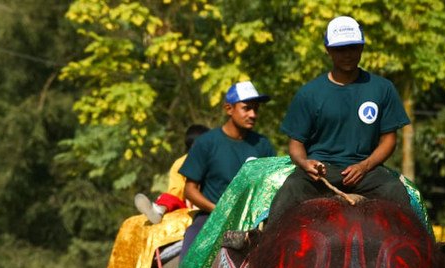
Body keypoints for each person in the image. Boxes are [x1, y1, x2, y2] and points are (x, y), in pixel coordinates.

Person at [270, 16, 412, 221]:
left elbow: (389, 140)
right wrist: (305, 163)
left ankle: (421, 250)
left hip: (367, 173)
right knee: (290, 189)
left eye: (353, 47)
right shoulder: (309, 93)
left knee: (395, 189)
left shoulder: (383, 88)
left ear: (362, 47)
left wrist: (364, 166)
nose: (347, 54)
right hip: (320, 174)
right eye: (340, 49)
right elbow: (295, 144)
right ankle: (262, 242)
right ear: (328, 49)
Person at [178, 81, 276, 254]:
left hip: (253, 220)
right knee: (190, 254)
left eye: (256, 109)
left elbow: (272, 186)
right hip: (211, 217)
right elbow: (190, 189)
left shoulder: (263, 144)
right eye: (246, 108)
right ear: (229, 109)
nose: (253, 114)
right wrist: (218, 211)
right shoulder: (206, 143)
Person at [134, 123, 209, 224]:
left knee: (169, 197)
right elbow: (176, 191)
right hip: (188, 204)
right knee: (168, 198)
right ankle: (158, 210)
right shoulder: (182, 163)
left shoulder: (213, 160)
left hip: (208, 202)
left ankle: (159, 210)